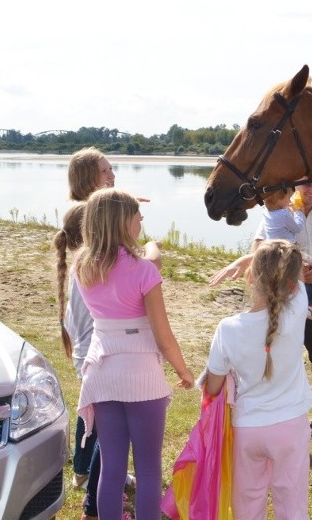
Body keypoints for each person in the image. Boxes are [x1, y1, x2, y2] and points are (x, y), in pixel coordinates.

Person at [74, 188, 194, 519]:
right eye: (138, 217)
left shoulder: (83, 267)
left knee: (111, 468)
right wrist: (184, 372)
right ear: (124, 222)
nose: (141, 222)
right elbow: (164, 337)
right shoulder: (143, 272)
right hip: (141, 375)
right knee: (148, 468)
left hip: (102, 371)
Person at [210, 181, 312, 450]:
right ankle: (281, 420)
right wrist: (243, 262)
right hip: (281, 308)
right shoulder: (277, 213)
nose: (311, 191)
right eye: (305, 185)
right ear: (294, 187)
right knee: (279, 363)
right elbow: (258, 254)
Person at [60, 148, 153, 519]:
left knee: (99, 421)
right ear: (87, 178)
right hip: (98, 340)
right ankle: (94, 506)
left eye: (112, 168)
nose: (112, 174)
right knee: (110, 434)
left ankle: (84, 472)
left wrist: (125, 208)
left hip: (94, 337)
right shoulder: (87, 217)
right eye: (105, 170)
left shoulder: (89, 216)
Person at [204, 239, 312, 520]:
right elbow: (294, 270)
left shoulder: (228, 329)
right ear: (292, 282)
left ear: (250, 277)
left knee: (247, 504)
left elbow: (212, 386)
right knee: (292, 504)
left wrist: (248, 261)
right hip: (290, 427)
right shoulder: (298, 306)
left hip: (248, 428)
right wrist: (252, 259)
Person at [260, 187, 312, 323]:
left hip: (274, 250)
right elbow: (297, 227)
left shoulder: (266, 212)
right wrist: (299, 213)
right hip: (289, 250)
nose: (290, 200)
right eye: (288, 198)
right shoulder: (284, 215)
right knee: (306, 270)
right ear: (280, 200)